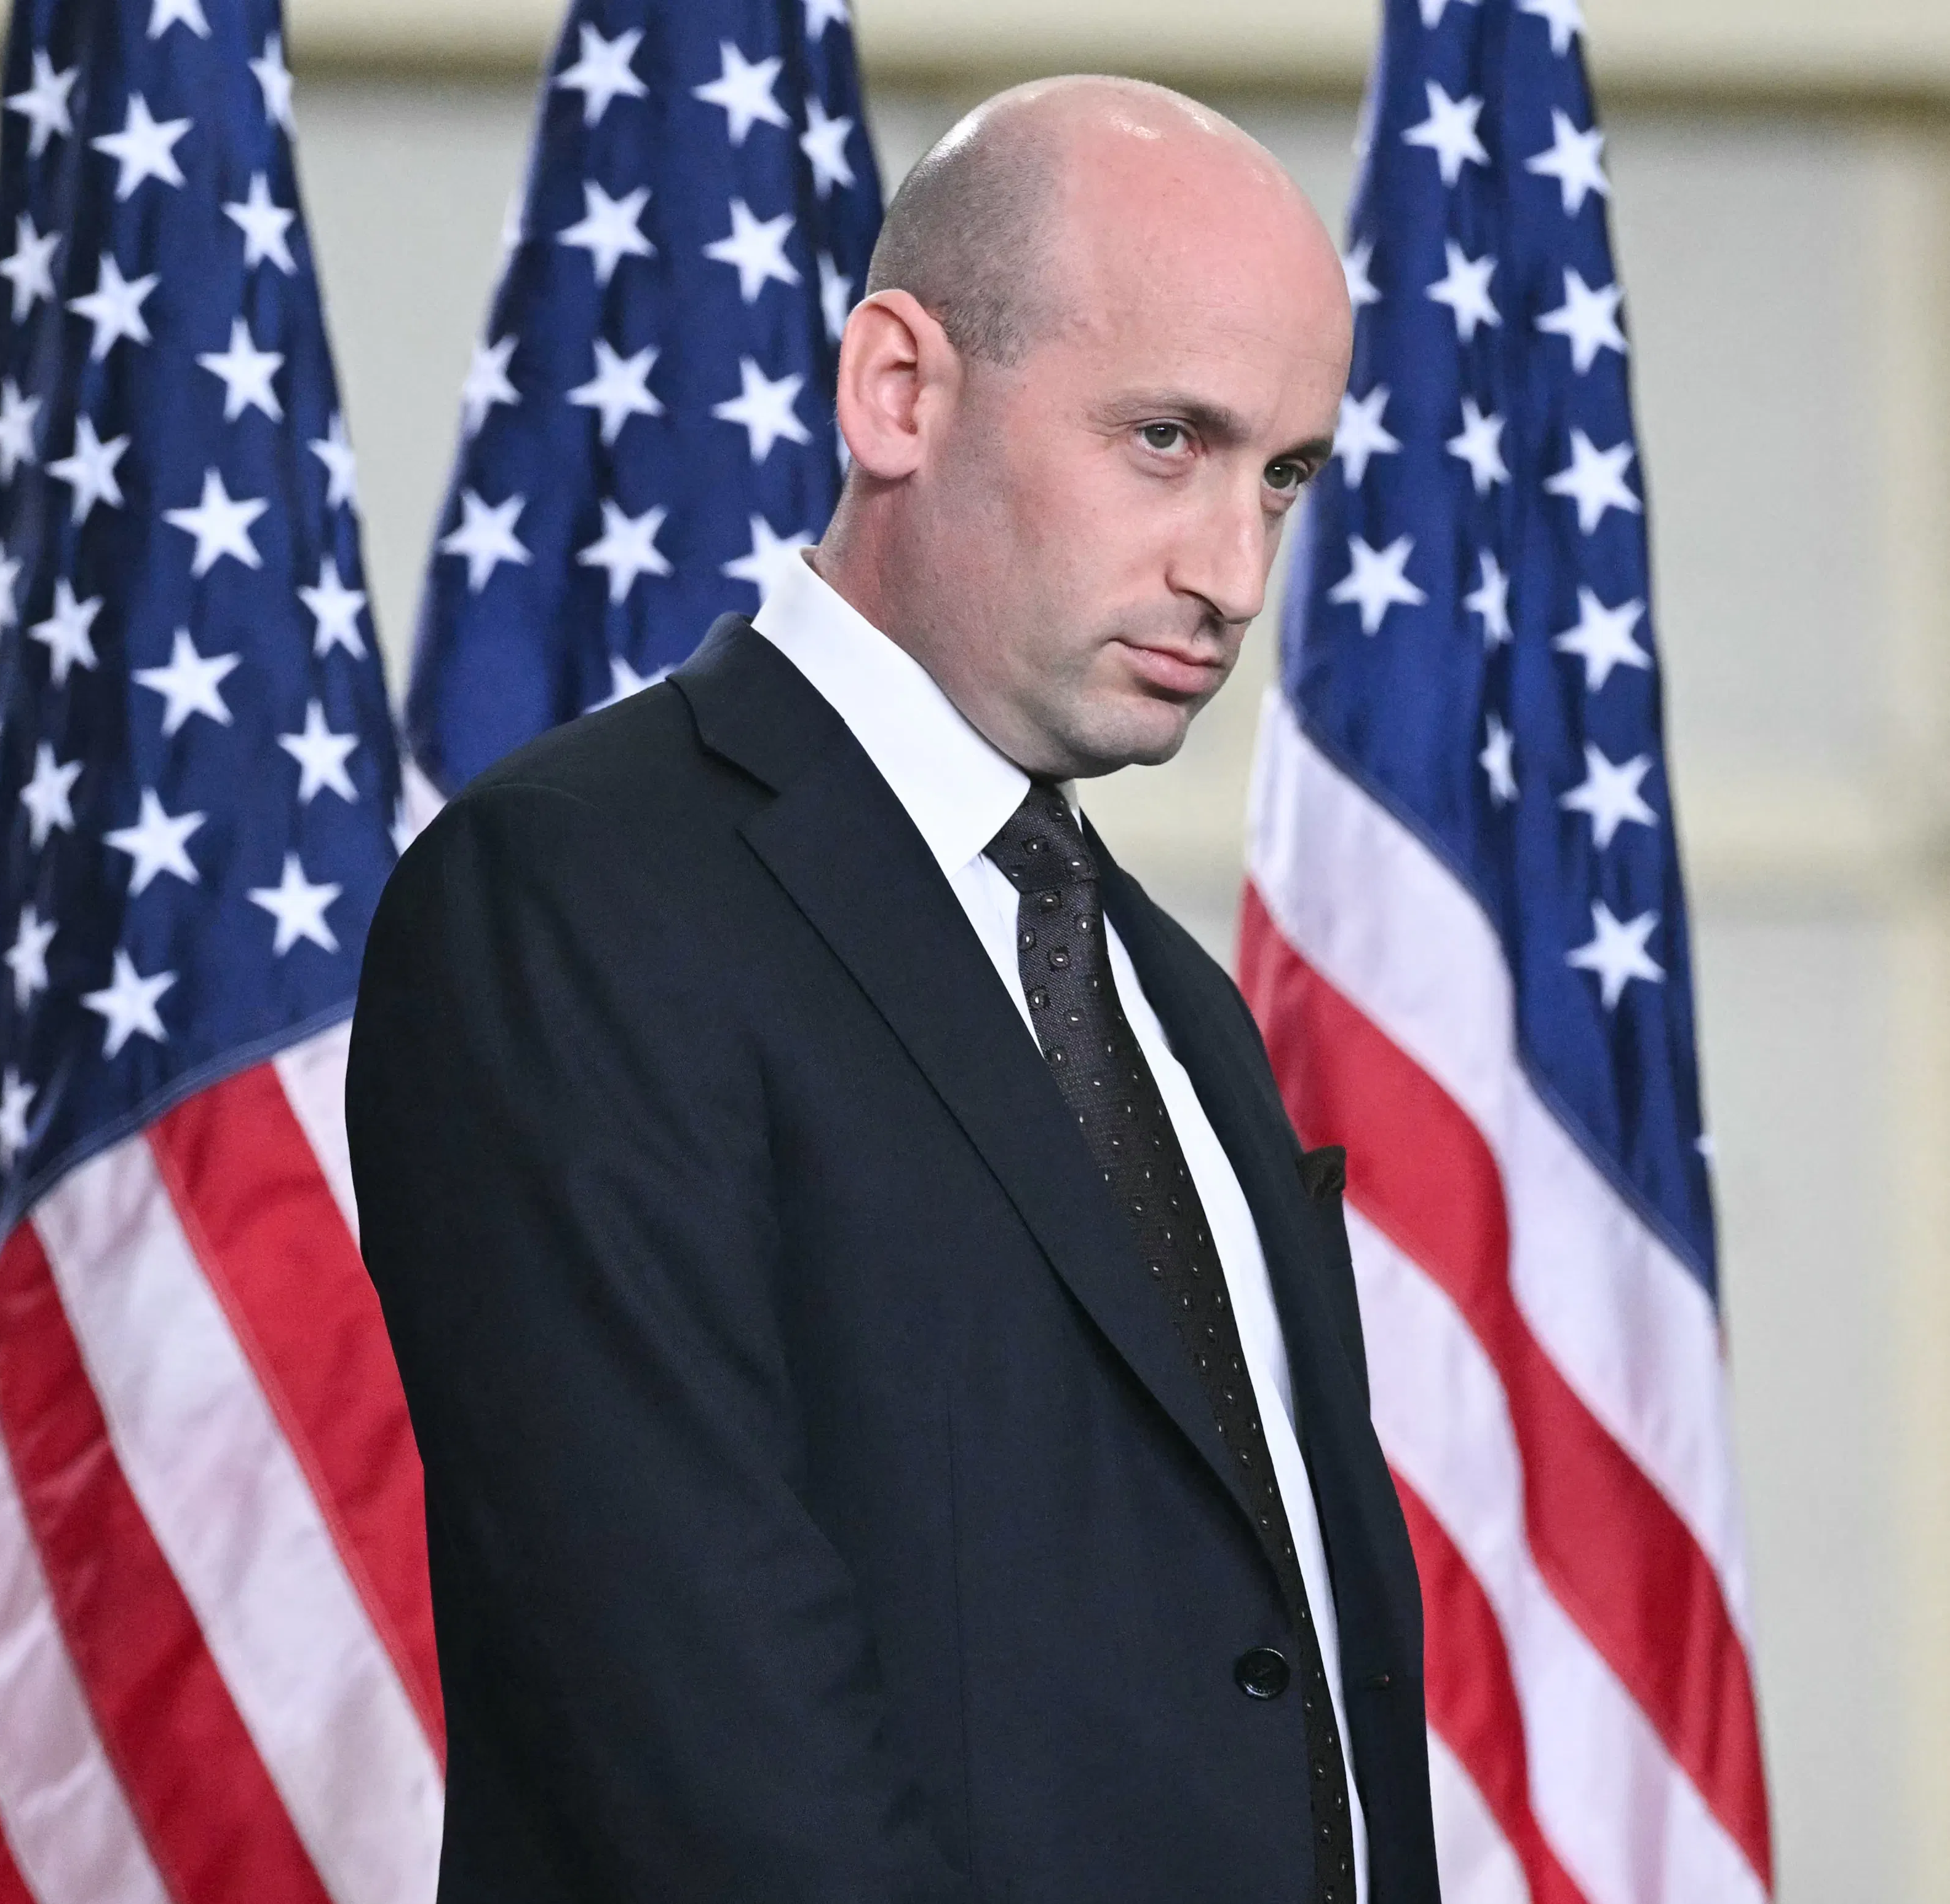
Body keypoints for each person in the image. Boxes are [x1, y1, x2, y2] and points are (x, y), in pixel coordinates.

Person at [349, 75, 1437, 1903]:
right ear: (897, 393)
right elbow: (703, 1742)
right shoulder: (576, 898)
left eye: (1283, 475)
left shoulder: (1170, 1006)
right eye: (1164, 440)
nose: (1231, 570)